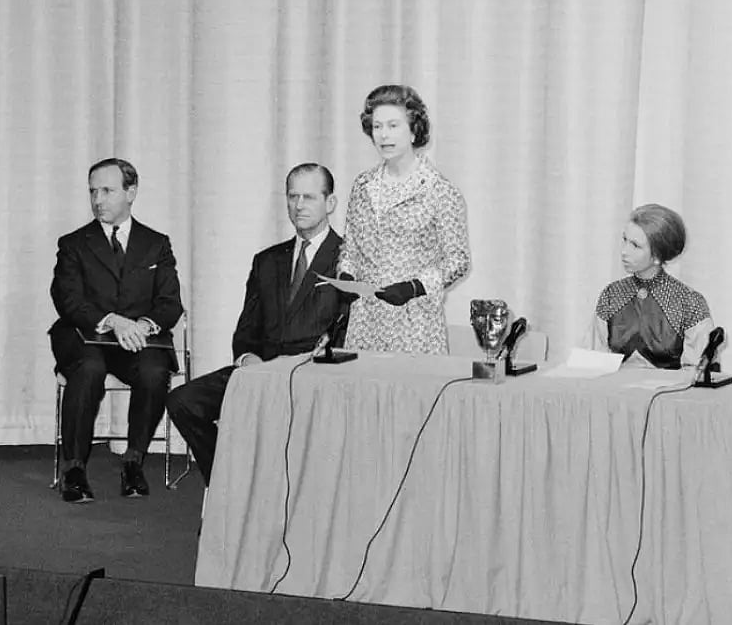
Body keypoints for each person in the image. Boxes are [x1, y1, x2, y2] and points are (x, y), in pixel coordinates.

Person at [165, 163, 351, 485]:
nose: (299, 205)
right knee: (183, 401)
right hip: (260, 372)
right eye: (293, 196)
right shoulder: (267, 260)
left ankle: (261, 492)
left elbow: (349, 335)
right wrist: (247, 358)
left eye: (309, 197)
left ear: (330, 203)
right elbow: (247, 328)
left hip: (311, 378)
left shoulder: (348, 260)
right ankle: (229, 486)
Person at [49, 158, 184, 502]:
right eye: (93, 191)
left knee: (154, 372)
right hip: (84, 338)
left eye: (107, 191)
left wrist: (143, 325)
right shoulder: (73, 243)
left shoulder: (156, 244)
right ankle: (74, 469)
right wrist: (112, 320)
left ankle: (133, 462)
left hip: (138, 340)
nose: (98, 200)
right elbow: (67, 300)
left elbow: (170, 303)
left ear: (131, 192)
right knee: (89, 369)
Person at [337, 84, 471, 353]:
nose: (383, 135)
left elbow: (458, 260)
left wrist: (415, 287)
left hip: (415, 326)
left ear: (413, 131)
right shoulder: (362, 186)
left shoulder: (439, 190)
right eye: (377, 126)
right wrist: (346, 273)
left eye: (393, 125)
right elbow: (349, 248)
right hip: (364, 324)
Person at [585, 204, 714, 369]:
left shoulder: (689, 302)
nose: (624, 251)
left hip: (671, 386)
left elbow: (698, 371)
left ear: (658, 255)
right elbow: (593, 359)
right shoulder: (612, 294)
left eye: (635, 245)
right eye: (624, 240)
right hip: (613, 384)